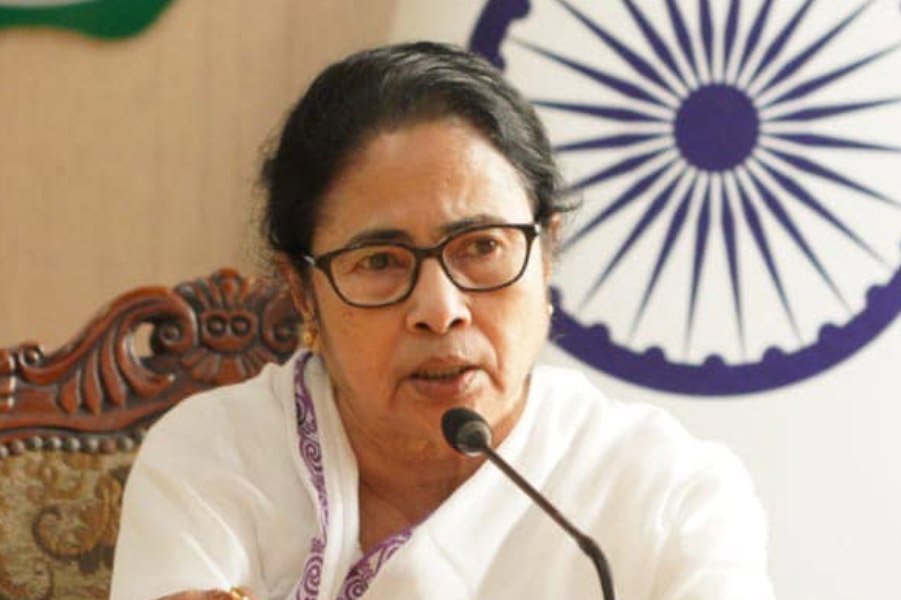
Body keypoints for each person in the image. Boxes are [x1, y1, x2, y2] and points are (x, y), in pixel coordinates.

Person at [110, 42, 775, 600]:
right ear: (303, 293)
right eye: (379, 261)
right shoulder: (217, 459)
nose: (439, 310)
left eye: (482, 247)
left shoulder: (668, 491)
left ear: (546, 255)